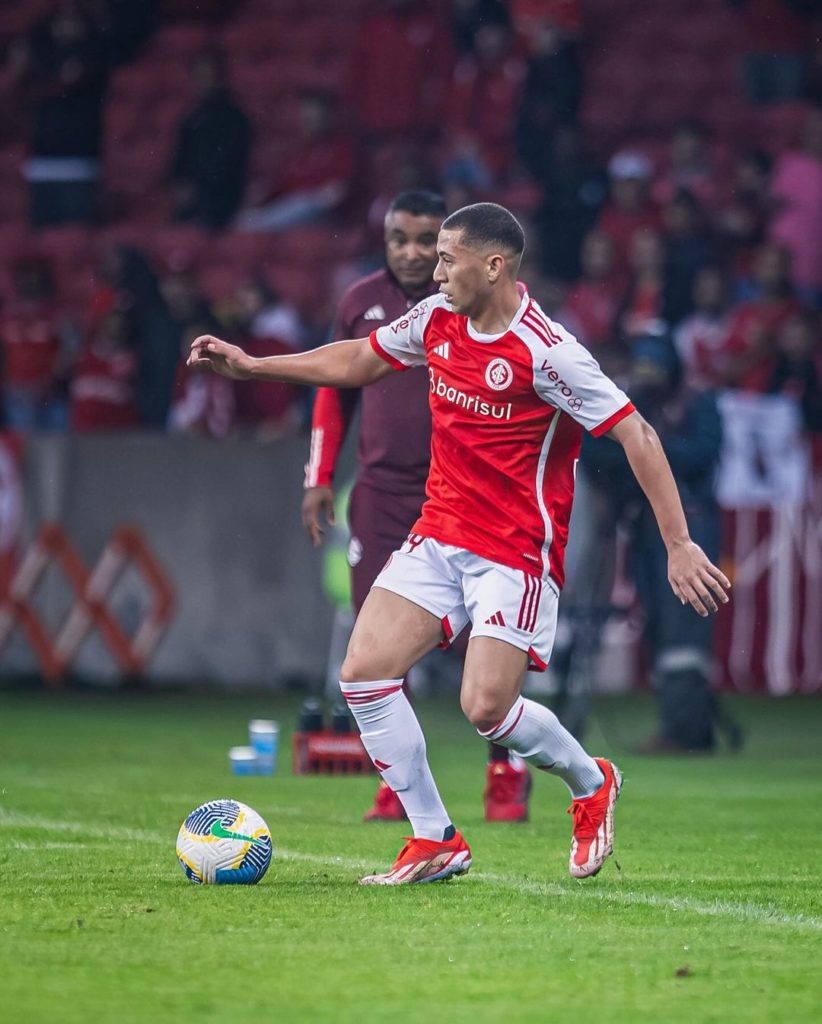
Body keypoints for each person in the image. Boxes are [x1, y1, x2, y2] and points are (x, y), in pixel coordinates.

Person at [188, 202, 730, 886]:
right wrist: (254, 366)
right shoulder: (437, 320)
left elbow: (637, 433)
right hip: (440, 533)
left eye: (447, 258)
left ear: (494, 264)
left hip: (515, 551)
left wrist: (678, 542)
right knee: (363, 673)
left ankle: (592, 782)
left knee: (487, 711)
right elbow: (359, 358)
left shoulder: (547, 351)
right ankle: (434, 837)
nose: (432, 270)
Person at [302, 190, 533, 824]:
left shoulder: (477, 309)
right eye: (397, 238)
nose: (411, 253)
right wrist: (319, 472)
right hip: (381, 491)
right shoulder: (360, 302)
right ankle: (398, 785)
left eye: (425, 242)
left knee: (485, 646)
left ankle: (505, 771)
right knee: (375, 638)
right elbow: (338, 381)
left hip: (466, 498)